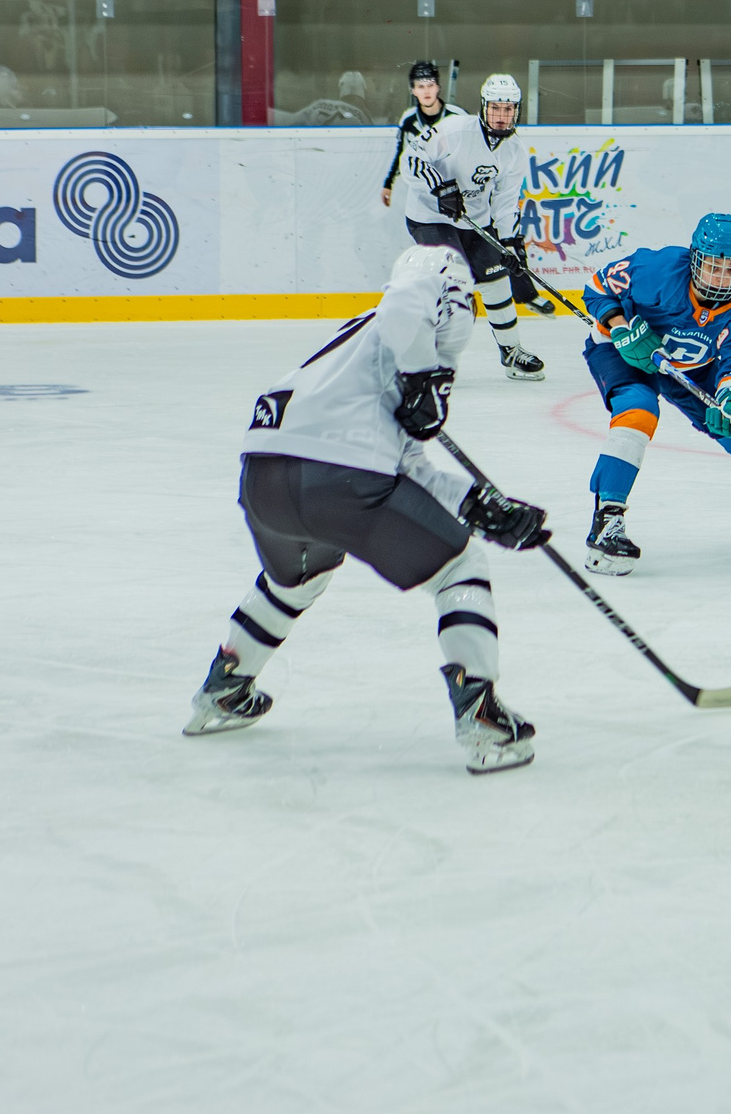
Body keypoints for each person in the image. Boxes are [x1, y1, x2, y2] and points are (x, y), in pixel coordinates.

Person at [183, 244, 551, 774]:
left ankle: (224, 689)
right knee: (460, 568)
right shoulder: (416, 317)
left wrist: (478, 507)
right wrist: (425, 374)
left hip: (264, 476)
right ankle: (482, 719)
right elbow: (408, 290)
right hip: (340, 476)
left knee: (295, 581)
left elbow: (404, 461)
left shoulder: (358, 349)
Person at [577, 213, 731, 573]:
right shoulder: (659, 268)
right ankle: (607, 520)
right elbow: (598, 287)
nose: (723, 277)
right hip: (624, 351)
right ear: (695, 259)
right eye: (714, 266)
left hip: (690, 369)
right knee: (638, 411)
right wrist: (619, 327)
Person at [391, 71, 546, 380]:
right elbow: (412, 159)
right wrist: (440, 186)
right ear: (483, 106)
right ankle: (432, 357)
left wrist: (512, 243)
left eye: (508, 110)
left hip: (474, 220)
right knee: (452, 283)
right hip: (430, 215)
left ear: (517, 111)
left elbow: (504, 203)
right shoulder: (454, 129)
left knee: (496, 278)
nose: (501, 117)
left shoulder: (515, 151)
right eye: (495, 108)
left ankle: (511, 352)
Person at [381, 60, 464, 209]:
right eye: (420, 86)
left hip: (457, 192)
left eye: (430, 85)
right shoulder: (408, 119)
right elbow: (402, 155)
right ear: (413, 90)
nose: (426, 91)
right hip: (425, 196)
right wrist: (388, 184)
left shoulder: (458, 117)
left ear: (438, 87)